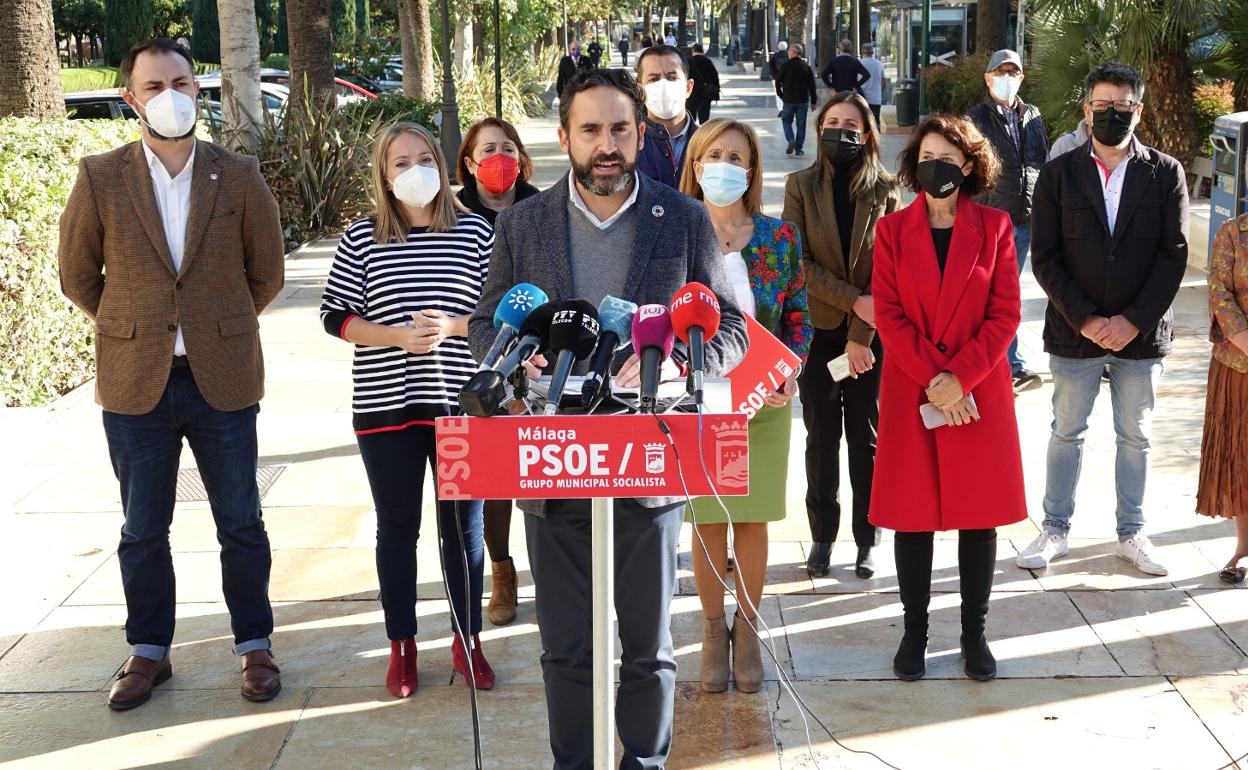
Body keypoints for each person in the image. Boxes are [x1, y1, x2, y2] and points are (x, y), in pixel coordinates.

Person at [468, 67, 748, 770]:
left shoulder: (683, 219)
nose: (606, 145)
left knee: (649, 650)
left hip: (650, 461)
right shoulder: (522, 223)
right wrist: (517, 358)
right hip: (552, 461)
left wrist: (684, 364)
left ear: (640, 132)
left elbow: (732, 330)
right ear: (563, 137)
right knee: (566, 648)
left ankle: (644, 764)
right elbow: (482, 320)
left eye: (620, 129)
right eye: (590, 130)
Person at [57, 37, 285, 710]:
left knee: (241, 521)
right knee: (141, 528)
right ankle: (148, 651)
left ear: (198, 89)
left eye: (180, 83)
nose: (169, 97)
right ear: (131, 98)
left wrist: (218, 325)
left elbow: (265, 273)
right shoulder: (100, 176)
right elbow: (77, 276)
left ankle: (255, 646)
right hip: (136, 381)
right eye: (153, 86)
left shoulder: (238, 174)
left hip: (223, 377)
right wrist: (134, 325)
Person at [320, 122, 496, 698]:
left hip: (460, 405)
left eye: (424, 158)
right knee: (397, 528)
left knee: (463, 529)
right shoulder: (361, 238)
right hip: (386, 406)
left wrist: (452, 326)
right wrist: (393, 337)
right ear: (384, 174)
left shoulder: (475, 232)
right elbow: (335, 316)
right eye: (401, 162)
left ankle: (467, 638)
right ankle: (401, 644)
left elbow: (500, 309)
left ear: (443, 168)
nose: (414, 169)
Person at [871, 114, 1026, 682]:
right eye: (928, 155)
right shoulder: (891, 232)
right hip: (915, 390)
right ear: (914, 165)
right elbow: (888, 314)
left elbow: (1005, 313)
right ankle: (915, 632)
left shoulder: (997, 228)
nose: (938, 166)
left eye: (949, 157)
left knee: (976, 518)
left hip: (976, 393)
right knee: (912, 519)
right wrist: (937, 379)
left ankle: (973, 634)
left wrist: (960, 378)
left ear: (969, 166)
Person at [1021, 63, 1189, 576]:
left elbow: (1174, 253)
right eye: (1101, 104)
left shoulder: (1165, 173)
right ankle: (1054, 529)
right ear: (1086, 110)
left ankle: (1132, 532)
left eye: (1122, 105)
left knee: (1135, 436)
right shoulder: (1058, 173)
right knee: (1066, 431)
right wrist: (1088, 318)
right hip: (1075, 333)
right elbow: (1045, 257)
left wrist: (1132, 321)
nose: (1111, 113)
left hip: (1140, 336)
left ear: (1138, 110)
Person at [679, 118, 812, 693]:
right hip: (703, 403)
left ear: (752, 170)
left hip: (765, 401)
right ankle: (713, 632)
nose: (725, 165)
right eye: (715, 154)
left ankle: (749, 628)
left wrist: (792, 369)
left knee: (751, 518)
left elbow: (800, 318)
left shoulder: (780, 239)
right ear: (696, 163)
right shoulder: (675, 235)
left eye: (737, 155)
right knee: (709, 520)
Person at [783, 92, 901, 580]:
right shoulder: (800, 185)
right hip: (817, 333)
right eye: (833, 122)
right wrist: (853, 301)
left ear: (868, 133)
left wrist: (860, 334)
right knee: (820, 439)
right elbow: (798, 262)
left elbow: (890, 266)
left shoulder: (888, 190)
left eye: (852, 123)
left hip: (870, 338)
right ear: (819, 129)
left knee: (866, 440)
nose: (842, 131)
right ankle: (823, 537)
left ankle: (869, 538)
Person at [454, 117, 541, 626]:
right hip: (466, 353)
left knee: (536, 464)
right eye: (488, 149)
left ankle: (548, 568)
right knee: (493, 475)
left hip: (532, 355)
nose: (499, 157)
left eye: (508, 147)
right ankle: (502, 571)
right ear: (468, 161)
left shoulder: (542, 208)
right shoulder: (453, 213)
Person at [966, 49, 1048, 393]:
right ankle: (1004, 364)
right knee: (992, 294)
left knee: (1008, 292)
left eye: (1013, 72)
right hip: (991, 218)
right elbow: (968, 167)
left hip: (1025, 216)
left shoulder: (1032, 114)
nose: (1007, 77)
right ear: (988, 77)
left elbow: (1040, 159)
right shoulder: (975, 116)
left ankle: (1007, 364)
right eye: (1001, 71)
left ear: (1021, 78)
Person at [1199, 215, 1248, 585]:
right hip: (1237, 364)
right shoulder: (1233, 231)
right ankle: (1243, 546)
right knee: (1239, 459)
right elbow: (1219, 294)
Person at [635, 44, 699, 188]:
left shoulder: (708, 142)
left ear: (688, 87)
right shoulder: (629, 143)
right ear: (640, 90)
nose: (663, 84)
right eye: (654, 79)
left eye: (672, 77)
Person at [775, 42, 819, 156]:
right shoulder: (806, 67)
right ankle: (799, 149)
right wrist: (813, 101)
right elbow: (812, 85)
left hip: (788, 100)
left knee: (786, 121)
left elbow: (777, 81)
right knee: (801, 125)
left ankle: (790, 140)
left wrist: (781, 95)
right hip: (802, 101)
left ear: (795, 52)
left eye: (790, 50)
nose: (788, 52)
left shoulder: (785, 66)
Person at [687, 43, 721, 124]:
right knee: (704, 121)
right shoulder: (708, 61)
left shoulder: (689, 62)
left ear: (693, 51)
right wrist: (716, 89)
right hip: (705, 94)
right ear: (702, 51)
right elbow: (715, 76)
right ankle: (703, 135)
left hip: (691, 94)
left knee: (691, 120)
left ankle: (692, 135)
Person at [858, 45, 886, 128]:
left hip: (862, 97)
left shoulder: (859, 63)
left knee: (863, 121)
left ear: (862, 52)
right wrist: (879, 92)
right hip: (876, 98)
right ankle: (876, 139)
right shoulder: (879, 64)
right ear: (872, 52)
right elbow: (883, 82)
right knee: (876, 121)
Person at [771, 41, 789, 116]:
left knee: (778, 94)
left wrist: (774, 76)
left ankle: (781, 109)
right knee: (788, 93)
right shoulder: (788, 55)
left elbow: (771, 68)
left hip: (777, 78)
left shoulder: (775, 56)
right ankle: (787, 108)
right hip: (787, 78)